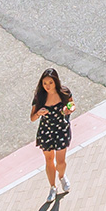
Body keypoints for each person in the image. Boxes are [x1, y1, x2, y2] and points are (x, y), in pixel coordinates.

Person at [30, 68, 74, 200]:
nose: (47, 86)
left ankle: (62, 176)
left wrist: (68, 109)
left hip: (61, 129)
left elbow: (71, 104)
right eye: (45, 83)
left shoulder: (64, 92)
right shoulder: (40, 97)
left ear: (56, 82)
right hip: (46, 131)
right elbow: (32, 117)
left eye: (50, 83)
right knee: (49, 160)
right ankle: (53, 187)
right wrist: (39, 113)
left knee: (61, 162)